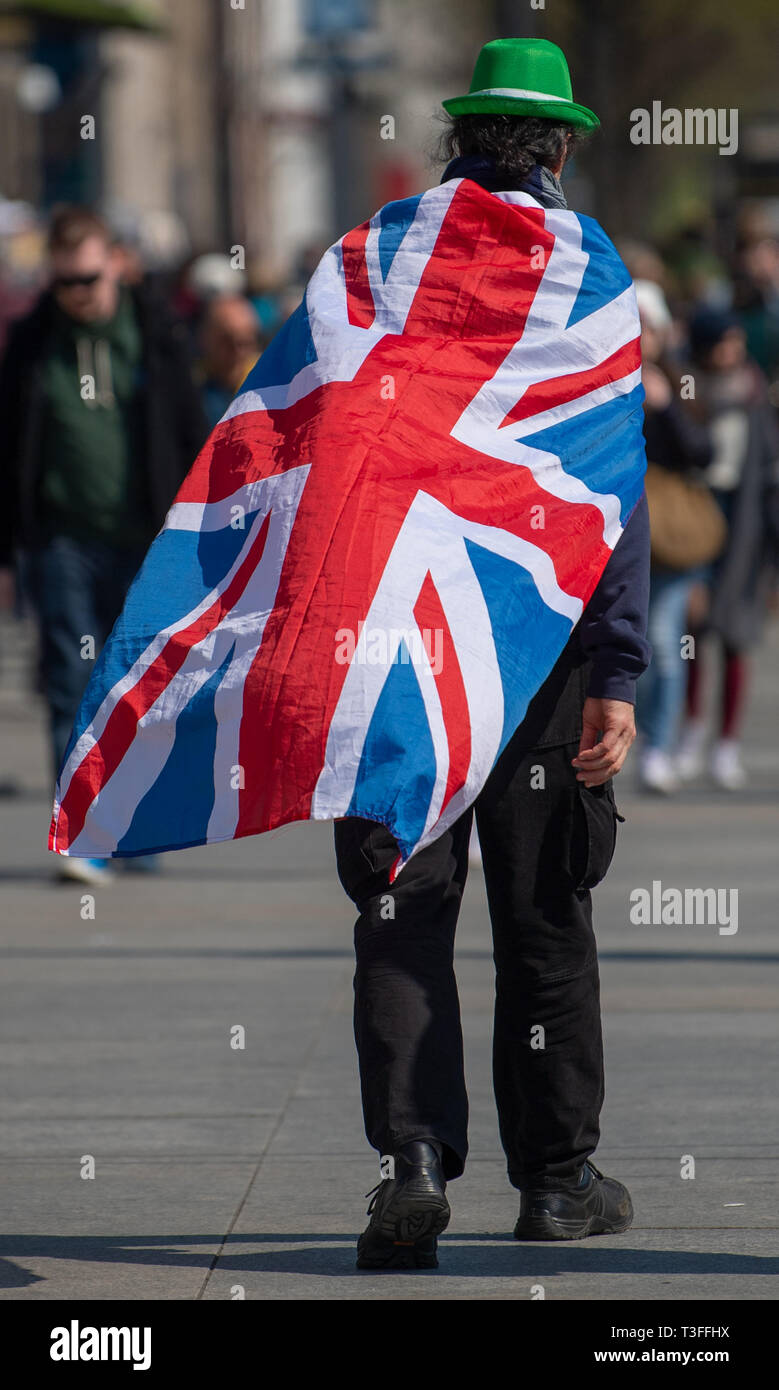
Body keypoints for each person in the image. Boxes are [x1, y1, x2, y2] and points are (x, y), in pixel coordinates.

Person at [332, 38, 651, 1269]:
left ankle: (411, 1161)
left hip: (396, 640)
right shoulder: (586, 274)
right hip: (540, 636)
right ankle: (557, 1179)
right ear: (559, 146)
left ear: (461, 139)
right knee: (543, 916)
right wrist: (615, 670)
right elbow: (604, 482)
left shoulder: (373, 261)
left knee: (401, 910)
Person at [0, 205, 209, 882]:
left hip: (145, 540)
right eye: (62, 283)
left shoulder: (155, 333)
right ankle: (83, 832)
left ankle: (131, 825)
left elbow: (187, 431)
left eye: (87, 278)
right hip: (60, 539)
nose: (77, 294)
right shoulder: (33, 341)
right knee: (69, 680)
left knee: (141, 686)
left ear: (114, 264)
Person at [676, 308, 779, 788]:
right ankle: (691, 733)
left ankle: (727, 746)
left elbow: (768, 469)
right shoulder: (686, 385)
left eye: (738, 341)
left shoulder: (755, 390)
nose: (733, 350)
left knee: (736, 636)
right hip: (695, 518)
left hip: (745, 526)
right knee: (693, 636)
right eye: (725, 341)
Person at [633, 280, 715, 793]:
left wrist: (664, 406)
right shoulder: (593, 379)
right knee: (627, 651)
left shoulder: (680, 382)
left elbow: (701, 453)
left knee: (665, 648)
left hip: (670, 542)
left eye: (647, 327)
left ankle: (657, 748)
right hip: (615, 540)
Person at [197, 294, 263, 429]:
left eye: (245, 342)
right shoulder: (192, 384)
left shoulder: (268, 384)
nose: (238, 352)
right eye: (227, 340)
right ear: (205, 338)